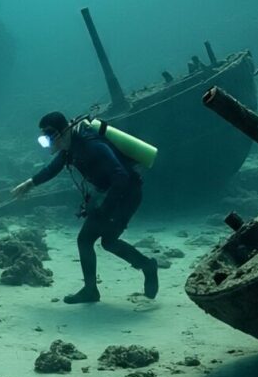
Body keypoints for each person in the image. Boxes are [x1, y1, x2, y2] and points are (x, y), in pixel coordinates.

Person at [12, 111, 158, 304]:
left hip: (127, 195)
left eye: (47, 137)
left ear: (61, 133)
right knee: (97, 241)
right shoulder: (68, 149)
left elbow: (122, 176)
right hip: (112, 195)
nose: (46, 144)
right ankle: (96, 288)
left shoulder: (93, 145)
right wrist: (29, 184)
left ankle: (145, 268)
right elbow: (51, 169)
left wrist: (106, 208)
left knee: (100, 241)